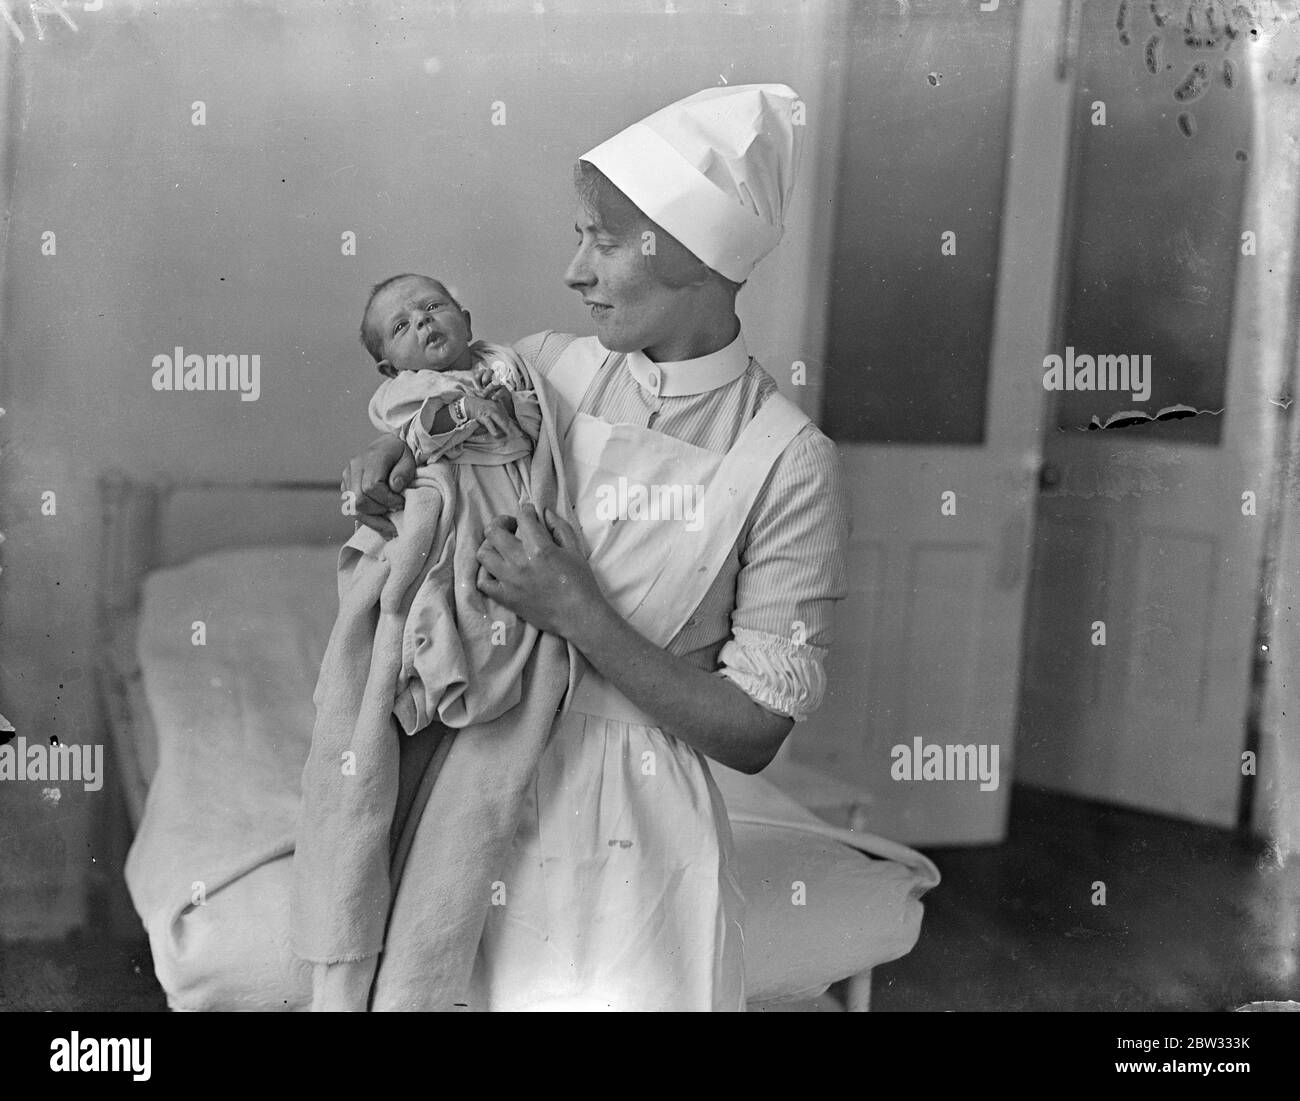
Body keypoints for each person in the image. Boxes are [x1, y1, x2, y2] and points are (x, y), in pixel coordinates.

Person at [343, 83, 850, 1011]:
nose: (574, 271)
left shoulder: (787, 459)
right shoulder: (542, 373)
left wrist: (576, 612)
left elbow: (753, 732)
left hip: (642, 848)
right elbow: (434, 411)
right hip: (475, 803)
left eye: (604, 242)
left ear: (695, 259)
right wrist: (392, 446)